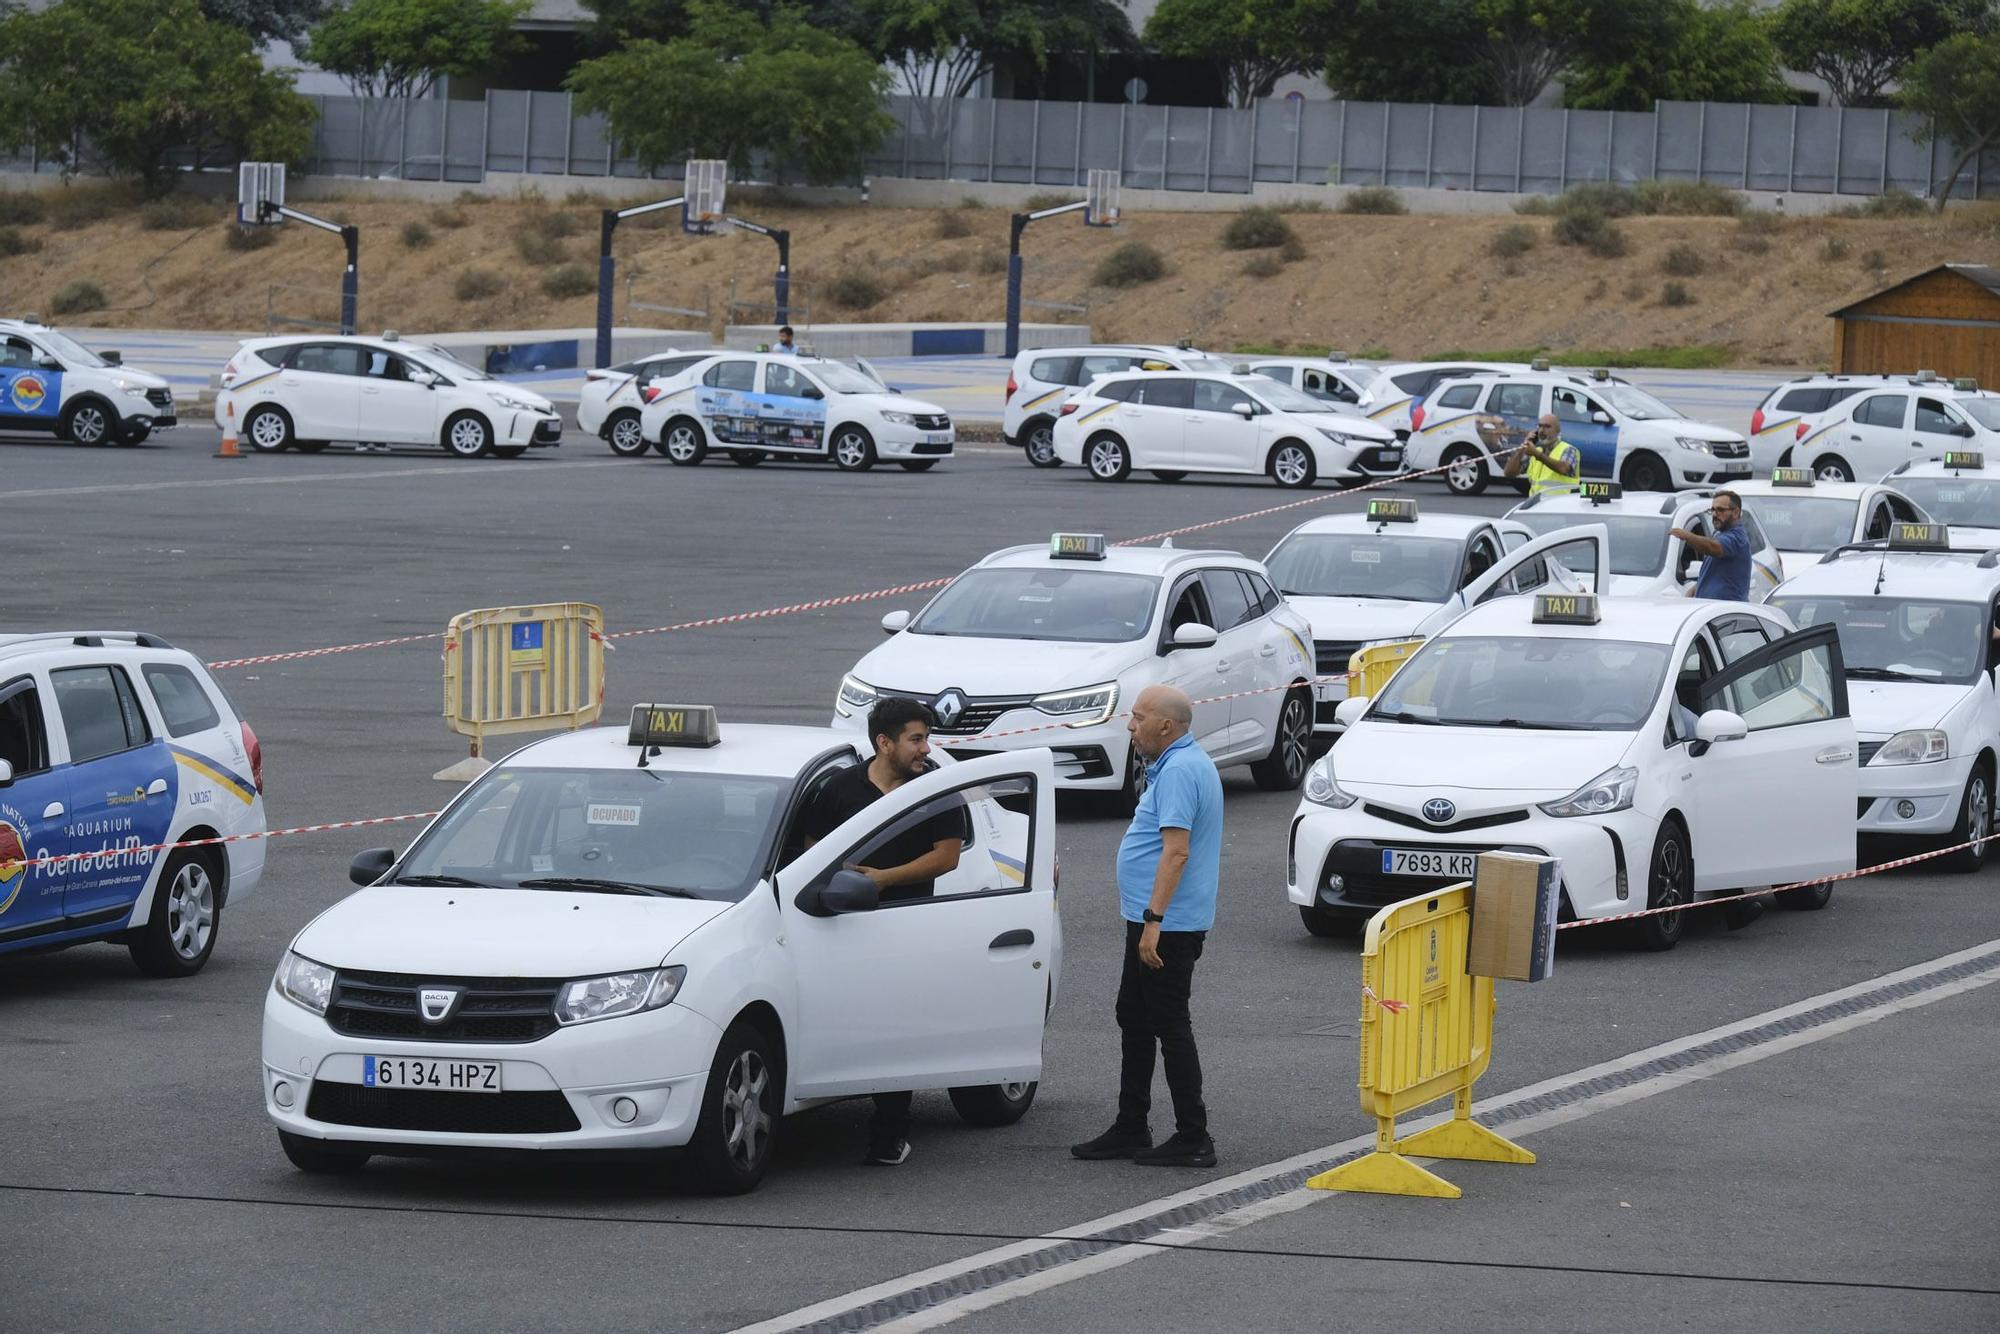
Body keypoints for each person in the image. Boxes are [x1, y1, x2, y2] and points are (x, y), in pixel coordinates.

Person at [802, 695, 963, 1166]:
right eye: (916, 739)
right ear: (883, 742)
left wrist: (884, 880)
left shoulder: (935, 788)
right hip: (841, 926)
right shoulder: (839, 790)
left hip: (906, 927)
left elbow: (947, 855)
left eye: (927, 738)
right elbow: (812, 853)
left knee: (898, 1029)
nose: (925, 748)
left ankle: (890, 1133)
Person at [1072, 685, 1223, 1169]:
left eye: (1138, 718)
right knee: (1134, 1017)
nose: (1130, 726)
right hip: (1152, 919)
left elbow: (1175, 852)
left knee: (1168, 1024)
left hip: (1167, 924)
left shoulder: (1179, 770)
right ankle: (1131, 1125)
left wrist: (1153, 922)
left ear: (1166, 726)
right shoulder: (1178, 763)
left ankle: (1193, 1137)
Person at [1672, 490, 1750, 601]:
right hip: (1710, 609)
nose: (1714, 514)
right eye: (1712, 510)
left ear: (1736, 512)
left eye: (1720, 510)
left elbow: (1712, 547)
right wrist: (1693, 591)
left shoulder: (1737, 538)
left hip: (1725, 612)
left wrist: (1686, 536)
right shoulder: (1721, 534)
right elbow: (1713, 574)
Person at [1503, 414, 1580, 497]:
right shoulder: (1535, 452)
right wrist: (1521, 449)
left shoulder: (1568, 449)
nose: (1541, 430)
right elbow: (1509, 473)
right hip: (1537, 505)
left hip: (1560, 504)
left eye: (1547, 427)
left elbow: (1563, 468)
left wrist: (1537, 455)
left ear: (1557, 431)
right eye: (1539, 426)